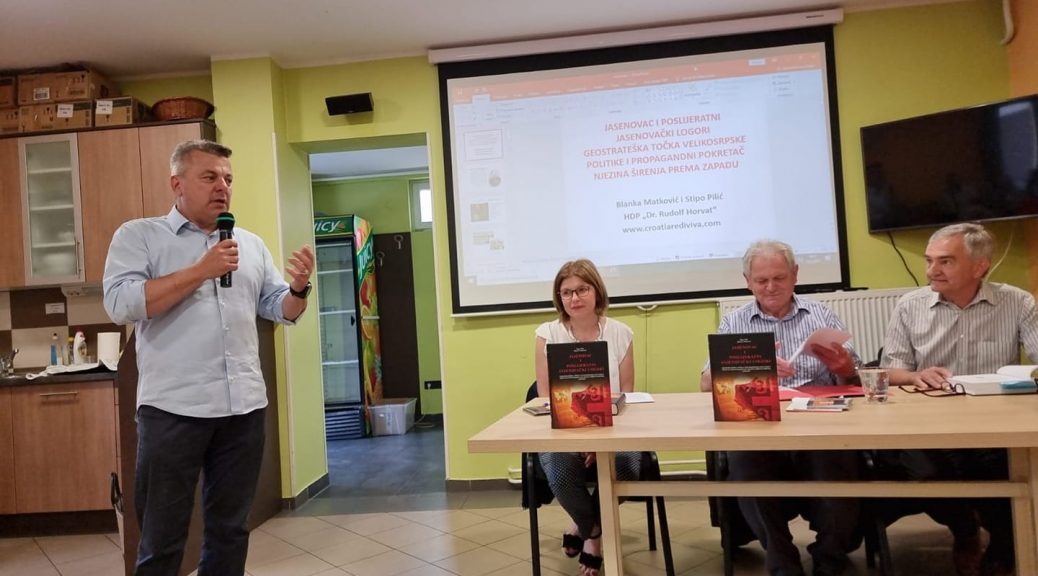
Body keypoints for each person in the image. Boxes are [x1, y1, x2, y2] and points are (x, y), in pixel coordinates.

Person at [103, 140, 316, 576]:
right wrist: (201, 270)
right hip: (172, 409)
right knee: (162, 537)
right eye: (210, 177)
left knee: (231, 531)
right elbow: (121, 304)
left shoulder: (249, 244)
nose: (223, 186)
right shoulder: (140, 236)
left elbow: (278, 308)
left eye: (228, 179)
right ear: (177, 184)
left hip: (243, 409)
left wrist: (298, 289)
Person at [880, 222, 1038, 576]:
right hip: (929, 424)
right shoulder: (910, 305)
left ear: (980, 266)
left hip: (996, 423)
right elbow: (890, 370)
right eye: (929, 260)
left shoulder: (1017, 302)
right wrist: (915, 376)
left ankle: (1003, 545)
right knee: (925, 475)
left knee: (1010, 472)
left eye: (946, 261)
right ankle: (965, 530)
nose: (931, 270)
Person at [700, 240, 862, 576]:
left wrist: (845, 368)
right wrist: (754, 368)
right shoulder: (735, 322)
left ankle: (829, 558)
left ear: (795, 275)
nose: (771, 287)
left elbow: (855, 377)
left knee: (840, 465)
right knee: (744, 466)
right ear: (748, 281)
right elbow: (705, 382)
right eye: (762, 280)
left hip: (818, 425)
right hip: (760, 428)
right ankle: (782, 560)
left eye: (779, 278)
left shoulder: (820, 314)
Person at [534, 259, 639, 576]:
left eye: (582, 289)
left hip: (613, 430)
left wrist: (600, 441)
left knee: (628, 467)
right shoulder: (547, 334)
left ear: (597, 291)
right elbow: (545, 398)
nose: (574, 298)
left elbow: (626, 396)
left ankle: (580, 525)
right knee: (562, 472)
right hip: (561, 432)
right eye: (566, 292)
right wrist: (580, 439)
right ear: (559, 297)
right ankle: (593, 532)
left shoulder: (621, 333)